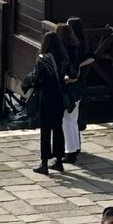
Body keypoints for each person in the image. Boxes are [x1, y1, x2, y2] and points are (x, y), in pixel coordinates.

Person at [31, 31, 69, 175]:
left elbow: (36, 79)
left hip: (46, 98)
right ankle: (59, 161)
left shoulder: (43, 59)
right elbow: (70, 73)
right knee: (58, 129)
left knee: (45, 130)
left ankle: (44, 163)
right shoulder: (64, 58)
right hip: (59, 97)